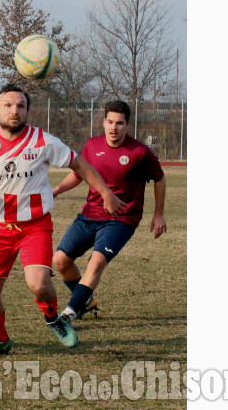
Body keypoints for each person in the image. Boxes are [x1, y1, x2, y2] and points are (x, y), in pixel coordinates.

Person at [0, 84, 127, 356]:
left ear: (27, 111)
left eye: (20, 106)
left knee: (39, 285)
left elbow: (80, 165)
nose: (15, 110)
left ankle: (52, 318)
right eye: (8, 105)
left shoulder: (43, 141)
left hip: (34, 227)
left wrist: (105, 193)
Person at [52, 100, 167, 324]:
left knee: (96, 262)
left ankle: (69, 313)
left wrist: (158, 214)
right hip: (89, 215)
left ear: (128, 125)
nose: (114, 128)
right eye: (110, 122)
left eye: (120, 123)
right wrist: (56, 190)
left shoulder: (141, 152)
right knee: (60, 261)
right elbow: (79, 174)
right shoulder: (92, 145)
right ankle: (85, 301)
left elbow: (159, 179)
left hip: (121, 219)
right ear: (104, 122)